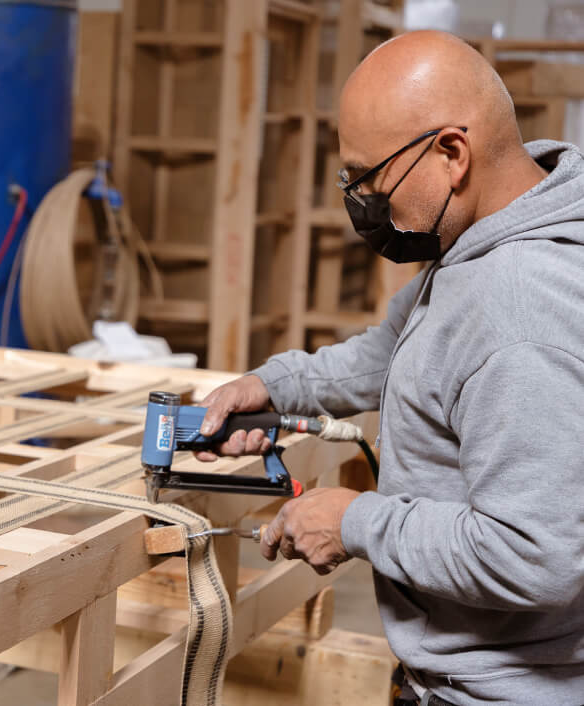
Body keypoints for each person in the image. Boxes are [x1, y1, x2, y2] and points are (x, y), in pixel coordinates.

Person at [196, 30, 584, 706]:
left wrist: (353, 521)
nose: (363, 202)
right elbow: (394, 350)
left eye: (371, 177)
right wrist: (273, 385)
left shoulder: (520, 314)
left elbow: (535, 556)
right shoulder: (491, 232)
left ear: (451, 153)